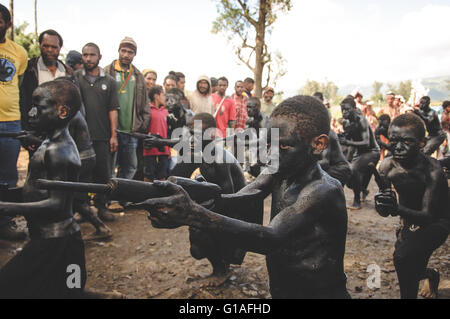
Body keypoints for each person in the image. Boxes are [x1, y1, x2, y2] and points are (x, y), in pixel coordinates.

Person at [135, 96, 350, 299]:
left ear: (318, 144)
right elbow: (246, 194)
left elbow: (273, 237)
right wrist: (193, 200)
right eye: (269, 144)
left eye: (283, 146)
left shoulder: (323, 190)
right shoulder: (278, 170)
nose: (270, 154)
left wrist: (193, 214)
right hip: (283, 287)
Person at [0, 80, 87, 298]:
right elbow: (36, 189)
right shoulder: (48, 144)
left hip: (59, 243)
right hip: (51, 241)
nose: (31, 112)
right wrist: (10, 195)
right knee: (61, 290)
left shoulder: (60, 151)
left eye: (39, 107)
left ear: (62, 111)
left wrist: (6, 206)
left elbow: (57, 204)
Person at [375, 113, 449, 299]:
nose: (398, 148)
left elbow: (428, 216)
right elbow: (386, 206)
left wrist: (395, 209)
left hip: (438, 221)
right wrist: (382, 205)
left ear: (422, 143)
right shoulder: (386, 167)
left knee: (402, 258)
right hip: (409, 220)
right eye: (394, 141)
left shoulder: (433, 171)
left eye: (406, 142)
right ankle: (430, 275)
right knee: (412, 265)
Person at [75, 42, 120, 222]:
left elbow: (113, 109)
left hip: (102, 136)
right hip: (80, 138)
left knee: (103, 174)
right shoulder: (75, 77)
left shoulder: (109, 81)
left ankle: (102, 207)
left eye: (92, 55)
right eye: (85, 55)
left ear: (99, 57)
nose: (88, 58)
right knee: (81, 175)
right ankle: (83, 209)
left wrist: (113, 135)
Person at [0, 4, 28, 241]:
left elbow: (17, 85)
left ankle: (5, 223)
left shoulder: (19, 53)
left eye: (0, 19)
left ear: (8, 24)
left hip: (10, 121)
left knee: (8, 177)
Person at [104, 37, 149, 181]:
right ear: (118, 51)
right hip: (111, 130)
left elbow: (145, 104)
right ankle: (108, 198)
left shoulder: (138, 75)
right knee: (109, 166)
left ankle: (121, 196)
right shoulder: (106, 71)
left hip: (131, 131)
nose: (126, 54)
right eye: (123, 50)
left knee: (130, 166)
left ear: (134, 55)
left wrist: (141, 124)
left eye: (130, 52)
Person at [20, 29, 72, 133]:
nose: (49, 50)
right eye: (46, 46)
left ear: (59, 48)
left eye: (54, 47)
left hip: (63, 132)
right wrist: (27, 131)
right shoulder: (30, 69)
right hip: (38, 130)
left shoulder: (68, 73)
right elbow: (23, 101)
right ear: (40, 46)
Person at [339, 97, 380, 210]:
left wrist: (347, 142)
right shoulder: (345, 122)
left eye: (347, 110)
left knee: (353, 170)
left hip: (372, 151)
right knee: (349, 178)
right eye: (342, 110)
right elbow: (349, 138)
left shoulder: (361, 120)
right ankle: (363, 190)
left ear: (354, 108)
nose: (344, 112)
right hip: (359, 152)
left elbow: (366, 143)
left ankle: (357, 201)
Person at [144, 86, 170, 182]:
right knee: (149, 175)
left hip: (164, 150)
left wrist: (168, 148)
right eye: (163, 95)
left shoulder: (166, 112)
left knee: (162, 175)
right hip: (150, 150)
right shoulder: (148, 110)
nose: (165, 97)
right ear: (156, 96)